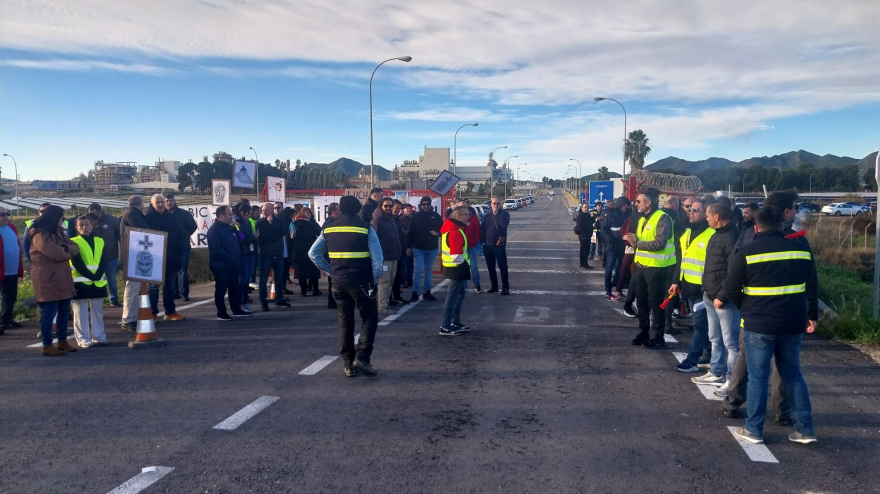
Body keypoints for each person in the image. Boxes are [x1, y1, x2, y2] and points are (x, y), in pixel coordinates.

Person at [726, 206, 818, 445]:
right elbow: (811, 285)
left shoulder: (748, 251)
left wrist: (747, 309)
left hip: (759, 324)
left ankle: (754, 430)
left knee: (758, 377)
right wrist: (811, 314)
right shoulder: (801, 248)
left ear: (756, 227)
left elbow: (732, 289)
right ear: (781, 223)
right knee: (793, 375)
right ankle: (805, 429)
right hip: (793, 323)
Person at [309, 195, 383, 377]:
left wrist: (330, 271)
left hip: (339, 282)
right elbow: (378, 261)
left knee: (345, 322)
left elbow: (313, 254)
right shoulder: (366, 228)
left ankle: (348, 364)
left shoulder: (329, 229)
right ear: (358, 209)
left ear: (340, 209)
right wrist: (374, 280)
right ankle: (363, 357)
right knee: (370, 318)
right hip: (362, 281)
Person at [691, 199, 741, 388]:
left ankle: (731, 379)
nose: (706, 218)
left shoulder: (731, 238)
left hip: (722, 298)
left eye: (709, 215)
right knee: (715, 338)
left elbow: (733, 271)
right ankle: (716, 371)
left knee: (730, 342)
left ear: (717, 216)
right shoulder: (715, 234)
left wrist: (722, 296)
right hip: (710, 295)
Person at [667, 198, 714, 372]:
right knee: (703, 325)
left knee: (700, 326)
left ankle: (692, 359)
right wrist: (675, 281)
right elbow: (681, 260)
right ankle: (708, 355)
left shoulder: (711, 234)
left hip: (705, 288)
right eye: (689, 209)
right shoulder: (686, 233)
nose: (691, 213)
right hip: (689, 287)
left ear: (706, 213)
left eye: (696, 210)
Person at [626, 188, 675, 349]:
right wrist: (633, 238)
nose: (636, 204)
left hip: (656, 267)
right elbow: (642, 239)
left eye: (639, 201)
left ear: (649, 202)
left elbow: (659, 243)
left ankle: (658, 336)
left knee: (655, 304)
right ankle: (643, 332)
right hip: (641, 266)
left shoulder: (663, 218)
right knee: (641, 302)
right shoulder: (642, 219)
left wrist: (637, 243)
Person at [29, 205, 79, 356]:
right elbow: (57, 254)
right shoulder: (40, 235)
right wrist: (66, 250)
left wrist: (65, 249)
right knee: (49, 312)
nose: (62, 220)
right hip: (47, 277)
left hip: (61, 275)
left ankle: (62, 341)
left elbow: (75, 247)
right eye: (61, 218)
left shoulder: (57, 232)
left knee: (64, 310)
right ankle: (47, 344)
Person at [69, 214, 109, 348]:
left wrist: (98, 274)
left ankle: (99, 335)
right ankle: (83, 338)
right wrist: (90, 275)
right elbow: (76, 261)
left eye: (87, 225)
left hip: (98, 281)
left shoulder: (100, 241)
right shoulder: (73, 241)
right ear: (76, 227)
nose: (84, 227)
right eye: (81, 225)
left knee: (97, 310)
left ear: (92, 226)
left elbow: (103, 259)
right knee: (80, 311)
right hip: (81, 280)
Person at [144, 194, 185, 321]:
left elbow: (179, 235)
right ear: (152, 204)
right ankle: (152, 312)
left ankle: (170, 311)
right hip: (154, 258)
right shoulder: (147, 219)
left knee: (170, 286)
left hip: (171, 257)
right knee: (153, 288)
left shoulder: (171, 217)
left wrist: (179, 252)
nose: (161, 204)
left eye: (162, 202)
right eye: (158, 202)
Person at [207, 205, 251, 320]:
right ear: (222, 216)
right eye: (230, 215)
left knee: (234, 288)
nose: (232, 217)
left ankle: (236, 310)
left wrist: (237, 229)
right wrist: (230, 258)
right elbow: (216, 248)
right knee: (221, 289)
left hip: (233, 264)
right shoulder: (215, 230)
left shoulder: (229, 228)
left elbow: (241, 239)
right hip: (221, 265)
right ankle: (221, 313)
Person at [439, 205, 472, 335]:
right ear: (458, 217)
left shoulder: (454, 228)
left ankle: (454, 322)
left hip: (455, 268)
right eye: (466, 214)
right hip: (456, 269)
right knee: (452, 297)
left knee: (459, 295)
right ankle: (445, 325)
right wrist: (465, 267)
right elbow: (456, 256)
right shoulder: (455, 231)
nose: (468, 216)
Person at [119, 195, 149, 331]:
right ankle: (128, 319)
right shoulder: (132, 215)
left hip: (134, 255)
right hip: (133, 256)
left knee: (134, 288)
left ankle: (131, 317)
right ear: (140, 204)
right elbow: (143, 229)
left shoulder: (130, 214)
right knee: (132, 288)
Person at [256, 202, 291, 311]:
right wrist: (276, 235)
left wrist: (272, 224)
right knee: (263, 279)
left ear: (272, 211)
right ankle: (263, 302)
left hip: (278, 254)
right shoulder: (259, 222)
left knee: (279, 278)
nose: (264, 213)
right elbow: (263, 237)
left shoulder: (279, 221)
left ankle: (278, 300)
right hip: (266, 254)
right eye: (263, 211)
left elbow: (284, 232)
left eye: (266, 210)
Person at [407, 196, 442, 301]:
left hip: (431, 248)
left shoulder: (436, 216)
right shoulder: (416, 216)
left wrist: (437, 233)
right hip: (418, 247)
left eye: (427, 204)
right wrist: (408, 246)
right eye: (423, 204)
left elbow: (442, 230)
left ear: (430, 205)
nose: (425, 206)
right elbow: (411, 232)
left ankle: (427, 292)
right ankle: (415, 292)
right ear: (420, 205)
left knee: (428, 271)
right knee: (418, 270)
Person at [87, 203, 122, 307]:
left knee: (112, 279)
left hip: (110, 256)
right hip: (94, 258)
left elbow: (120, 236)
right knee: (95, 280)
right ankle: (95, 299)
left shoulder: (112, 220)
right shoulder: (88, 222)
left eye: (93, 214)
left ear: (99, 211)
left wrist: (121, 254)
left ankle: (113, 299)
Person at [165, 193, 198, 301]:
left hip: (183, 245)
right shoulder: (162, 215)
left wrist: (184, 234)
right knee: (172, 270)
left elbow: (193, 226)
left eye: (170, 200)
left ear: (174, 201)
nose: (169, 203)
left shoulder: (183, 214)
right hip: (169, 247)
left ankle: (184, 293)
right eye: (166, 201)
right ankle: (175, 292)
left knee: (182, 270)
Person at [371, 197, 402, 314]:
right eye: (386, 206)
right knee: (384, 282)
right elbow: (373, 240)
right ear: (381, 206)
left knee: (390, 281)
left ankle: (386, 304)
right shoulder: (377, 220)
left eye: (390, 205)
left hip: (393, 255)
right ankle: (382, 306)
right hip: (384, 257)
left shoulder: (391, 219)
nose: (388, 208)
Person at [0, 207, 24, 333]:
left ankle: (6, 319)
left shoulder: (11, 227)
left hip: (12, 269)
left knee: (10, 296)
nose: (5, 217)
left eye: (7, 214)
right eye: (2, 214)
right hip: (1, 270)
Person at [481, 196, 511, 295]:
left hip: (499, 246)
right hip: (488, 246)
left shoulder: (505, 215)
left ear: (501, 204)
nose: (496, 205)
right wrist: (483, 242)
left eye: (498, 203)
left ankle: (505, 287)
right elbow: (483, 229)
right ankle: (494, 286)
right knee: (491, 267)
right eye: (494, 203)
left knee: (502, 267)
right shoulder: (487, 216)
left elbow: (504, 225)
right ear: (491, 204)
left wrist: (497, 215)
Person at [603, 197, 630, 298]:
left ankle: (619, 288)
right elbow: (604, 230)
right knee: (609, 268)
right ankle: (608, 289)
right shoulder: (611, 215)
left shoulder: (628, 215)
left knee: (620, 268)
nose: (626, 206)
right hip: (612, 246)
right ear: (619, 204)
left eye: (627, 204)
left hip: (623, 246)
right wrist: (610, 239)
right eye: (624, 204)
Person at [233, 202, 258, 313]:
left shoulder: (245, 222)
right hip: (243, 254)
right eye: (248, 214)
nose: (249, 216)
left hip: (248, 253)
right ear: (243, 212)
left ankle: (244, 302)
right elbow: (242, 238)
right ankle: (241, 303)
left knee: (245, 280)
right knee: (242, 280)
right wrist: (254, 237)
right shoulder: (238, 223)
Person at [292, 207, 322, 297]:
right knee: (313, 271)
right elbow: (320, 234)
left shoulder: (293, 224)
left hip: (298, 251)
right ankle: (315, 290)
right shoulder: (312, 225)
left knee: (301, 272)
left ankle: (303, 291)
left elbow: (290, 238)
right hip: (311, 250)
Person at [457, 199, 483, 291]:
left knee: (473, 267)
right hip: (460, 247)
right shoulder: (456, 218)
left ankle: (477, 285)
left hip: (470, 246)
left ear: (467, 207)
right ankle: (464, 286)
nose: (462, 208)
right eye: (460, 207)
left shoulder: (473, 218)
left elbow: (477, 232)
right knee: (463, 267)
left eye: (463, 207)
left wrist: (474, 242)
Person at [389, 200, 410, 306]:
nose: (397, 210)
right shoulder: (388, 220)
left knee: (398, 275)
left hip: (400, 250)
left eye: (399, 208)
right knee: (390, 277)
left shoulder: (398, 220)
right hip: (391, 252)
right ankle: (390, 299)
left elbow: (401, 236)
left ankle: (396, 296)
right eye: (396, 208)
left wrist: (406, 248)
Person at [321, 202, 341, 309]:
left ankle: (334, 300)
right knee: (332, 280)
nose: (341, 212)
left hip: (333, 255)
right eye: (339, 210)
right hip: (331, 256)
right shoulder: (329, 224)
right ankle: (332, 301)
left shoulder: (335, 222)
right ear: (333, 212)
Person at [574, 203, 594, 270]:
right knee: (583, 251)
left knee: (587, 250)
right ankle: (582, 264)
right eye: (585, 207)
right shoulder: (580, 216)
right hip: (583, 236)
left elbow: (591, 223)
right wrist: (584, 234)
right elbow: (580, 227)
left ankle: (586, 263)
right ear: (582, 208)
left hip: (588, 235)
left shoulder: (587, 215)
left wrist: (592, 217)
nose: (586, 208)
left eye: (587, 207)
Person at [399, 203, 414, 288]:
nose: (409, 210)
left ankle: (409, 280)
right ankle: (403, 281)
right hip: (404, 245)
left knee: (411, 265)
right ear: (403, 210)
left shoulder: (414, 219)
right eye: (407, 208)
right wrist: (409, 232)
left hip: (413, 245)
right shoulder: (400, 220)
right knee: (404, 264)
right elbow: (401, 232)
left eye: (410, 208)